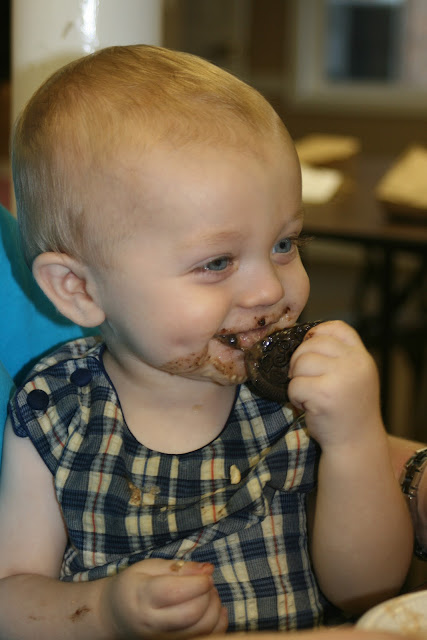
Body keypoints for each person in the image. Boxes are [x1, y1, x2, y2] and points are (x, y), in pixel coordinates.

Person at [0, 45, 414, 639]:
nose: (270, 289)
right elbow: (11, 597)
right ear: (79, 289)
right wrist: (105, 611)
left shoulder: (301, 388)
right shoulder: (54, 410)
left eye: (284, 244)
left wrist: (356, 439)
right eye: (217, 262)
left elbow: (366, 590)